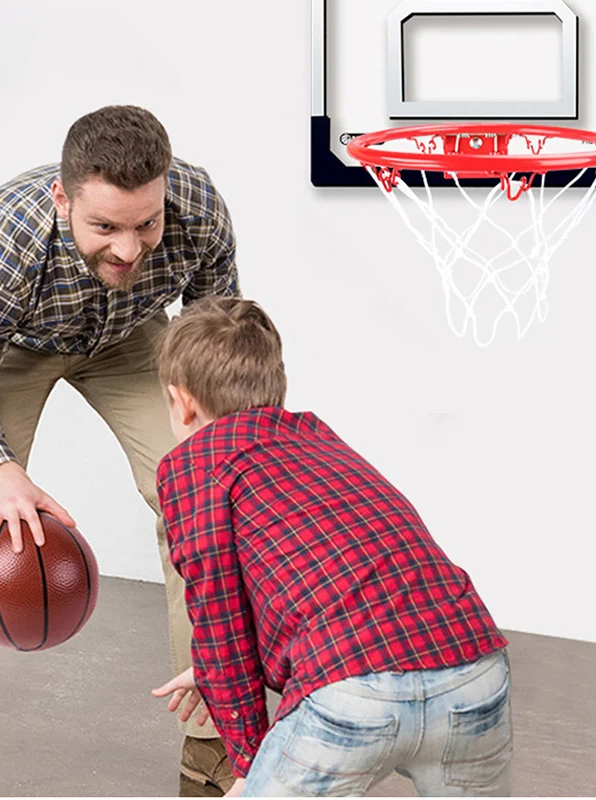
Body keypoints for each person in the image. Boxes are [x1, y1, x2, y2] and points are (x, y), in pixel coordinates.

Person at [0, 105, 238, 797]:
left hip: (129, 340)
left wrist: (222, 448)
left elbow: (214, 335)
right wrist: (6, 476)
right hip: (13, 351)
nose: (129, 250)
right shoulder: (4, 243)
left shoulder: (199, 208)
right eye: (105, 227)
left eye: (146, 224)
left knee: (201, 506)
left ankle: (212, 741)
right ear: (63, 199)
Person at [152, 297, 514, 797]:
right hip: (472, 666)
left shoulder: (194, 464)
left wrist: (250, 767)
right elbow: (346, 575)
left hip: (351, 689)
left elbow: (220, 624)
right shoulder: (321, 439)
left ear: (181, 400)